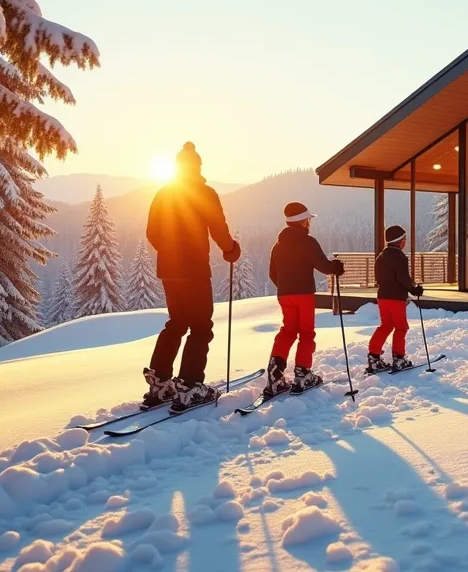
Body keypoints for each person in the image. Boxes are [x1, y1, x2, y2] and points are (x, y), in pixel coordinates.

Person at [143, 142, 240, 411]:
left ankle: (160, 382)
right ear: (197, 167)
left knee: (176, 323)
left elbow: (151, 231)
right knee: (200, 326)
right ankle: (190, 384)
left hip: (169, 271)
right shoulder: (205, 193)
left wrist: (169, 251)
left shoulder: (163, 193)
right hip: (195, 269)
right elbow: (218, 227)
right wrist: (230, 250)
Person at [264, 202, 344, 396]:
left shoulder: (278, 245)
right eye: (308, 218)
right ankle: (302, 373)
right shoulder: (308, 242)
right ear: (303, 220)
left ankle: (275, 374)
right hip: (304, 295)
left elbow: (272, 273)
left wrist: (285, 287)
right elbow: (324, 266)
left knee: (288, 331)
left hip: (285, 294)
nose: (309, 222)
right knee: (306, 333)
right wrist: (336, 267)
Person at [367, 225, 423, 372]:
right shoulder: (400, 257)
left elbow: (378, 277)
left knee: (385, 325)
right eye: (404, 239)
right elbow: (403, 278)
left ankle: (374, 356)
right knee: (401, 327)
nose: (405, 242)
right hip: (396, 298)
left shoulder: (381, 256)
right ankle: (399, 358)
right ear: (399, 241)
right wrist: (414, 289)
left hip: (382, 296)